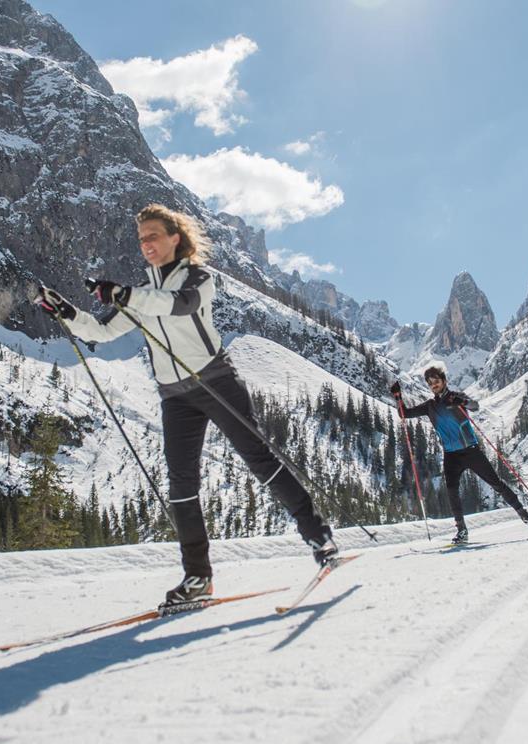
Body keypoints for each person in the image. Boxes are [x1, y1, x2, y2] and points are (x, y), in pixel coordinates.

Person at [36, 203, 337, 604]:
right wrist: (68, 313)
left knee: (260, 460)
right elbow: (104, 332)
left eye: (153, 236)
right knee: (181, 485)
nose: (146, 245)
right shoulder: (139, 296)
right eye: (142, 238)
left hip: (215, 381)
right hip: (173, 396)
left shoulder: (198, 277)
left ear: (175, 238)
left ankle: (319, 537)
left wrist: (125, 294)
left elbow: (182, 305)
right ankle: (198, 578)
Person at [390, 364, 528, 544]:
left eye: (436, 381)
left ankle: (526, 517)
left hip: (471, 451)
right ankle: (462, 531)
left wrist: (462, 402)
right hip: (451, 456)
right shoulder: (430, 406)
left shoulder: (456, 397)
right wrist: (398, 397)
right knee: (452, 492)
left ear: (444, 381)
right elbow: (403, 414)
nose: (434, 385)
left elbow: (475, 406)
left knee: (497, 484)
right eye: (430, 383)